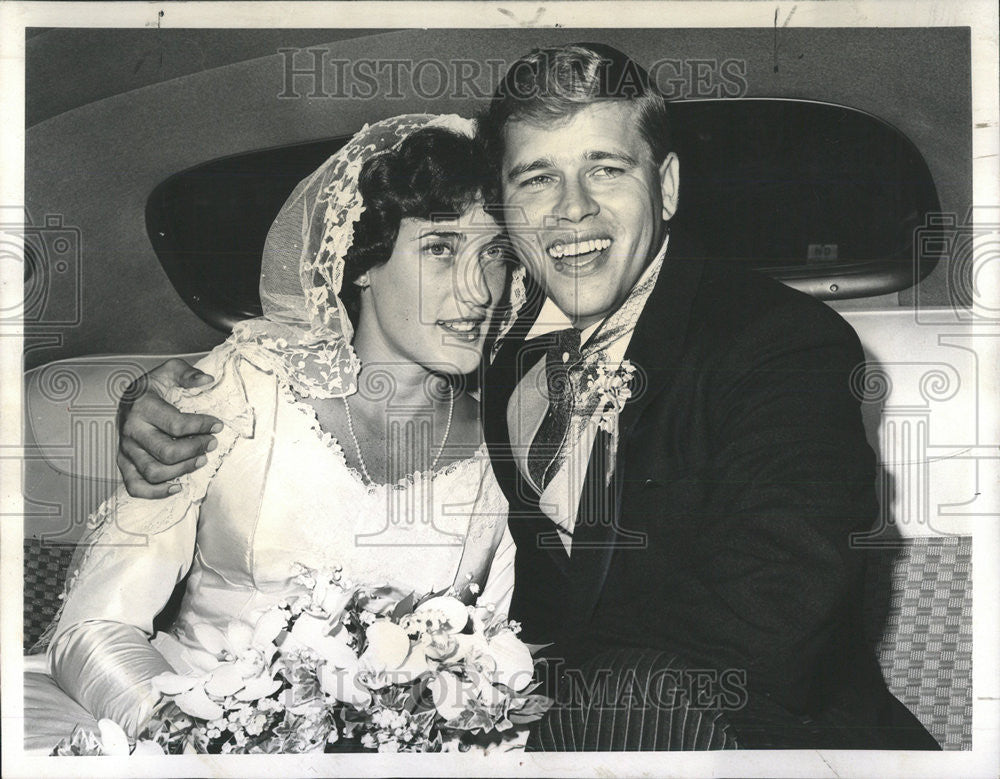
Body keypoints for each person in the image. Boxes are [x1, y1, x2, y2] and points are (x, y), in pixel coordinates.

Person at [114, 45, 939, 750]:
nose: (572, 211)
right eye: (538, 179)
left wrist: (499, 732)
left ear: (670, 186)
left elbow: (770, 610)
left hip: (760, 742)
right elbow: (340, 347)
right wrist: (163, 394)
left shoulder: (779, 342)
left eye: (605, 170)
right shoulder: (500, 351)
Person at [24, 114, 518, 752]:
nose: (479, 290)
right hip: (163, 725)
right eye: (442, 248)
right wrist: (196, 741)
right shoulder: (239, 387)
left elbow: (482, 675)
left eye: (496, 253)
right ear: (363, 261)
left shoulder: (505, 455)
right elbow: (93, 625)